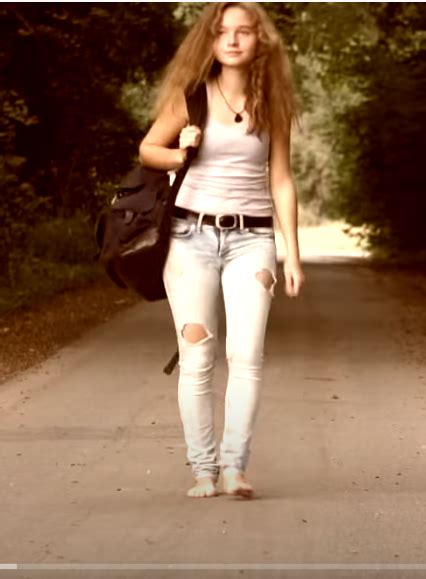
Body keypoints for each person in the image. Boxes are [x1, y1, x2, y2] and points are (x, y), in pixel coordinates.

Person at [139, 2, 304, 499]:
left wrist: (291, 253)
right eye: (222, 32)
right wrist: (180, 149)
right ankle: (203, 470)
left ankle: (234, 467)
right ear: (208, 41)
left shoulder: (272, 102)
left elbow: (281, 179)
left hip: (252, 241)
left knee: (247, 355)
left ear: (260, 41)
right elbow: (148, 150)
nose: (232, 40)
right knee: (198, 357)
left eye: (243, 32)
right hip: (189, 238)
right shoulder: (190, 96)